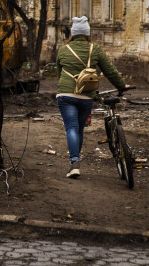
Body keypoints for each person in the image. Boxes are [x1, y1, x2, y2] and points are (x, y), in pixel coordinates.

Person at [56, 16, 129, 179]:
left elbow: (58, 73)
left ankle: (74, 162)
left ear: (73, 33)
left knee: (71, 128)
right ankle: (75, 160)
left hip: (65, 95)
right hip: (86, 96)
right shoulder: (94, 50)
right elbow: (110, 70)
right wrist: (121, 86)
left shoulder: (63, 50)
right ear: (87, 33)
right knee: (79, 128)